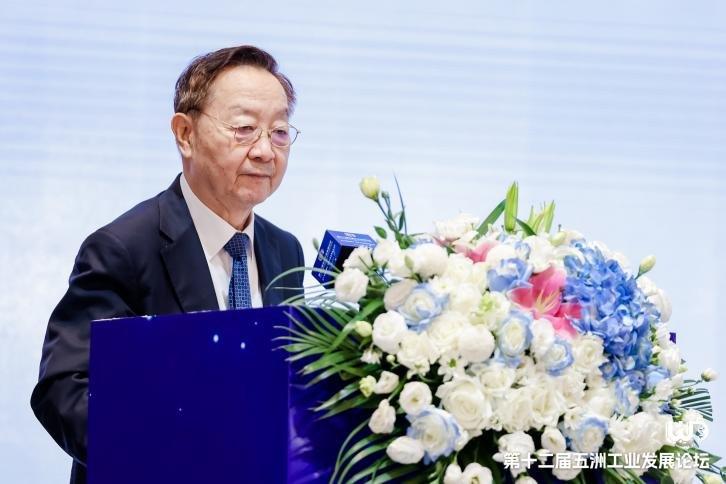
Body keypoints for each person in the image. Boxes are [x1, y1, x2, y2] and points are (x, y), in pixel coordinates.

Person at [30, 45, 305, 484]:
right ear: (185, 134)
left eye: (279, 132)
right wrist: (168, 456)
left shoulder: (284, 249)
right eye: (244, 129)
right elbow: (64, 389)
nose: (264, 151)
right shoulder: (123, 248)